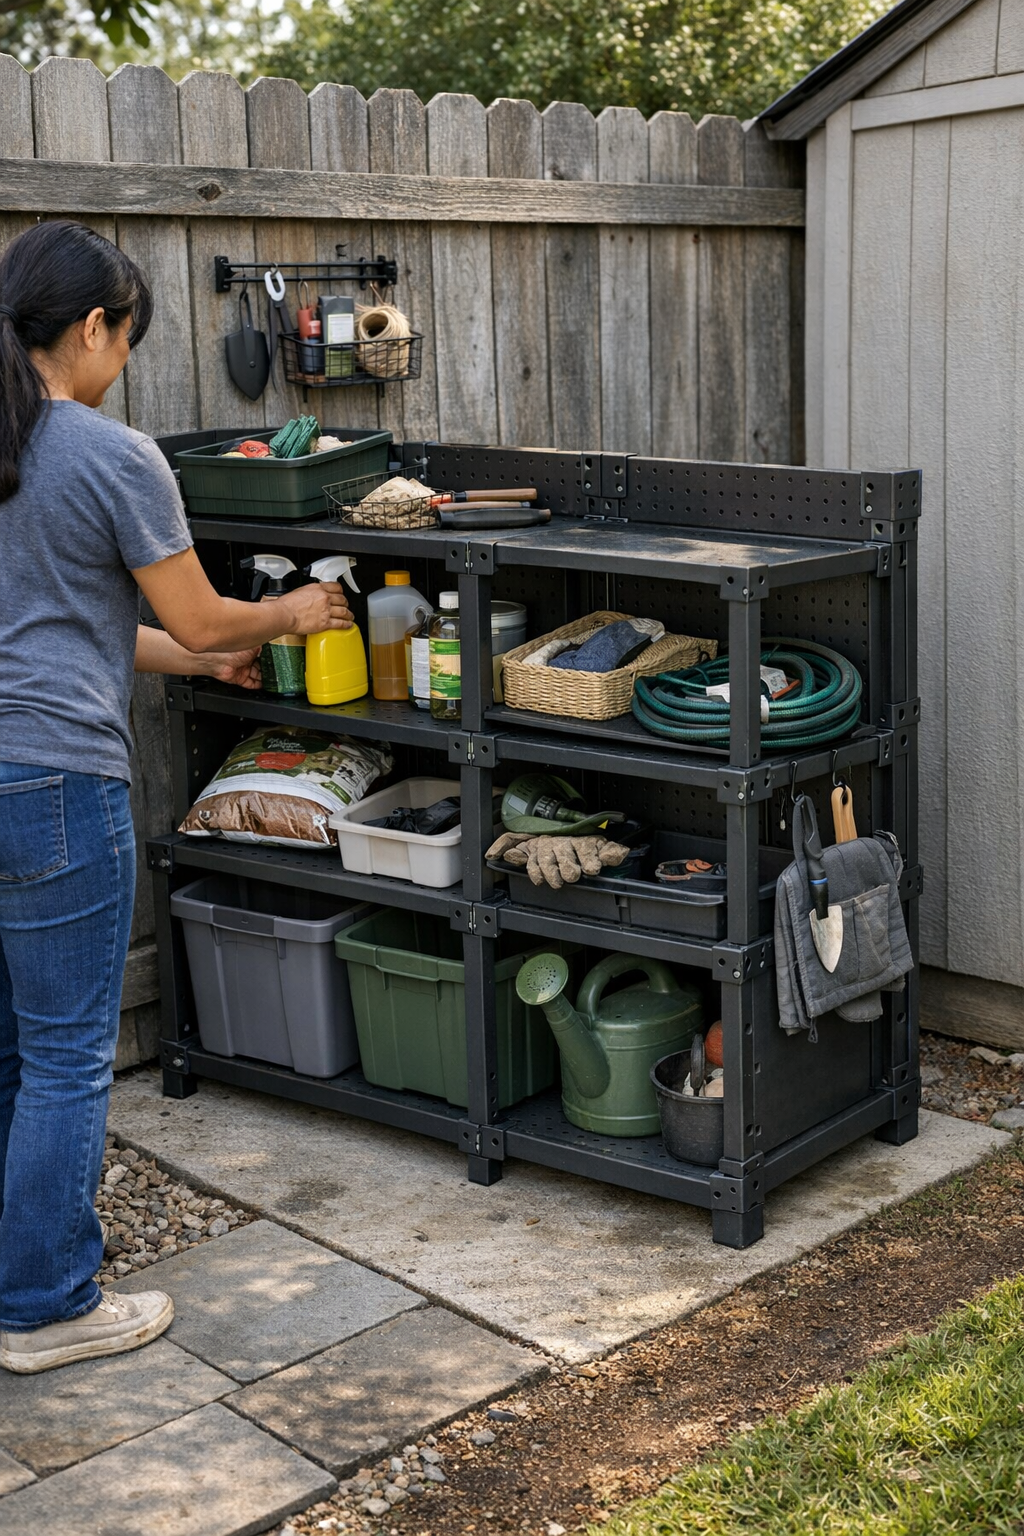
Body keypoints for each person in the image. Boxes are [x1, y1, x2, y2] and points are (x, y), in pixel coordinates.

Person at [0, 220, 353, 1374]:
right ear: (92, 328)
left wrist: (198, 663)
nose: (126, 363)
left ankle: (14, 1275)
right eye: (127, 339)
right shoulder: (109, 453)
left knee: (12, 1052)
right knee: (64, 1057)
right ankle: (47, 1309)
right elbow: (204, 613)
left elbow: (79, 627)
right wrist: (289, 616)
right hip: (55, 780)